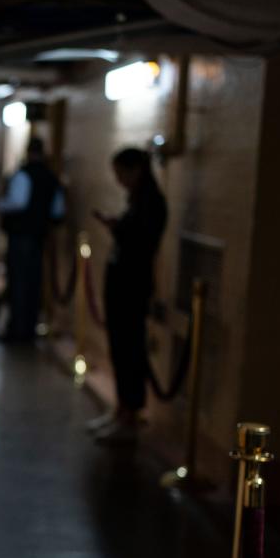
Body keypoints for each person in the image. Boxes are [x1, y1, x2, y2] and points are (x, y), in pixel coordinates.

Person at [91, 148, 167, 444]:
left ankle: (131, 413)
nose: (118, 179)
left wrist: (119, 228)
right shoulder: (139, 200)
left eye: (121, 172)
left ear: (136, 170)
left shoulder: (152, 202)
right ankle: (122, 408)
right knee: (120, 348)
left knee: (130, 349)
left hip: (132, 286)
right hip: (123, 283)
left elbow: (143, 242)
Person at [0, 137, 65, 341]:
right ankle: (29, 328)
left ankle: (18, 330)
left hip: (20, 236)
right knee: (33, 283)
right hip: (39, 237)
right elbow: (58, 210)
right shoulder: (52, 178)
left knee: (18, 282)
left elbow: (18, 202)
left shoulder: (23, 174)